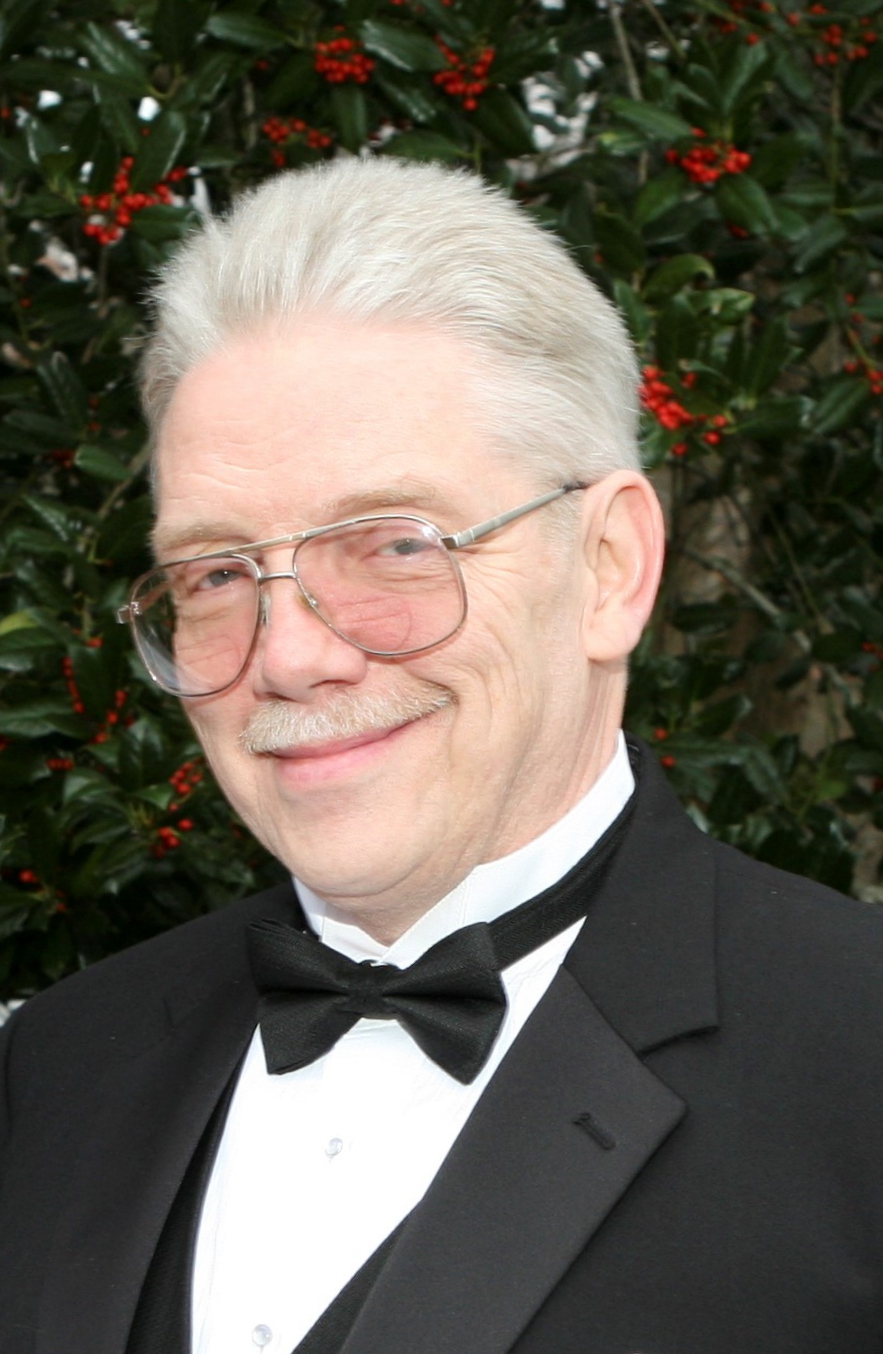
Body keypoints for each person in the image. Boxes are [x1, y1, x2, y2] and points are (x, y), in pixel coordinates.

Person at [1, 157, 883, 1354]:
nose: (289, 655)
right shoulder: (58, 1063)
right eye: (216, 573)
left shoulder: (856, 1057)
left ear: (610, 567)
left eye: (396, 545)